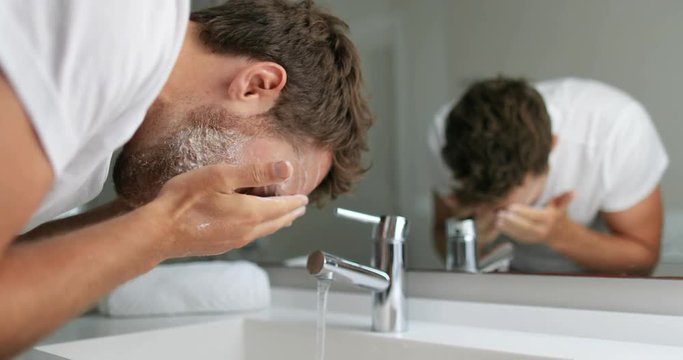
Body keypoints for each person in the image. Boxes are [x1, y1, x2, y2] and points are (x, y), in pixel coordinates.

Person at [0, 0, 372, 356]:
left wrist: (142, 213)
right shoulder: (110, 28)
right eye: (262, 189)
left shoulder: (106, 114)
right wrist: (162, 232)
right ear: (256, 85)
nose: (241, 202)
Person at [430, 77, 667, 276]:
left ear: (552, 147)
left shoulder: (617, 130)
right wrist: (469, 239)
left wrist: (562, 235)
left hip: (600, 288)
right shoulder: (446, 134)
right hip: (506, 285)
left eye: (504, 196)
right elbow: (443, 240)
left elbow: (644, 259)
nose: (495, 207)